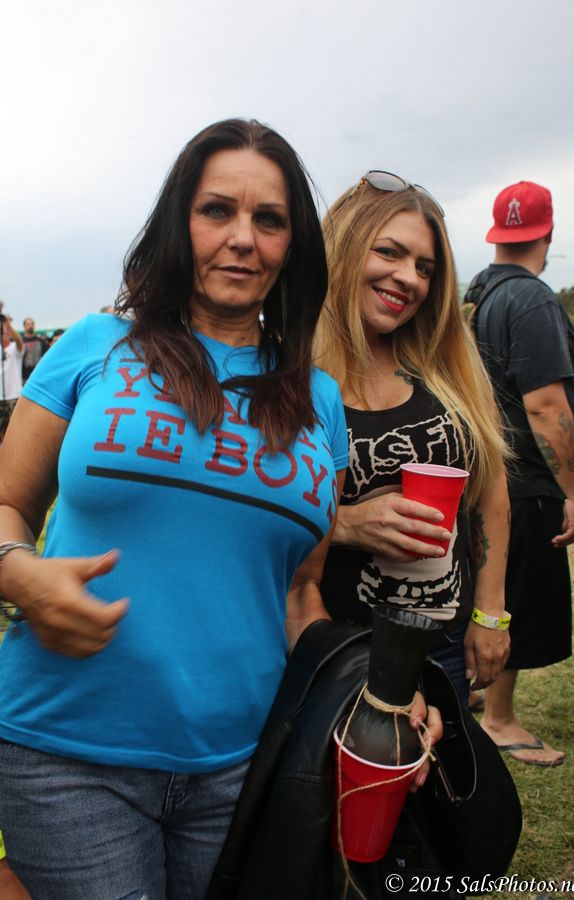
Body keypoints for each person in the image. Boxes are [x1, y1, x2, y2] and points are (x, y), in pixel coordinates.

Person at [0, 118, 354, 899]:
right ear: (178, 223)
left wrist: (367, 696)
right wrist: (20, 575)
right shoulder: (95, 345)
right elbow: (5, 504)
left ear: (292, 245)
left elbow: (300, 590)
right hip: (63, 754)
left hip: (241, 767)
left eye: (269, 220)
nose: (242, 238)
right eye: (216, 210)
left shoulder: (320, 402)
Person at [314, 171, 512, 706]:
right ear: (344, 247)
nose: (410, 279)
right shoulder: (290, 373)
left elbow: (490, 491)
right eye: (389, 252)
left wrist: (490, 614)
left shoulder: (446, 369)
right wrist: (346, 524)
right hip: (333, 640)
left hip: (444, 640)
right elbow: (250, 516)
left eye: (425, 268)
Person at [467, 180, 574, 766]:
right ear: (548, 233)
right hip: (524, 480)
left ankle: (474, 694)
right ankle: (499, 719)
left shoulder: (480, 295)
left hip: (487, 473)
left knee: (488, 589)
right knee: (514, 597)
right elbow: (544, 405)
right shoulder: (532, 299)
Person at [0, 312, 24, 443]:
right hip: (0, 397)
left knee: (15, 430)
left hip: (14, 396)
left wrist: (8, 324)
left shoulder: (16, 347)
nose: (4, 333)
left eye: (6, 332)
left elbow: (19, 340)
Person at [21, 317, 48, 382]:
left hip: (39, 374)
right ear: (24, 326)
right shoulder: (21, 342)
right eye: (28, 324)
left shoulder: (41, 340)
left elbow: (46, 356)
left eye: (32, 324)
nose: (30, 326)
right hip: (25, 376)